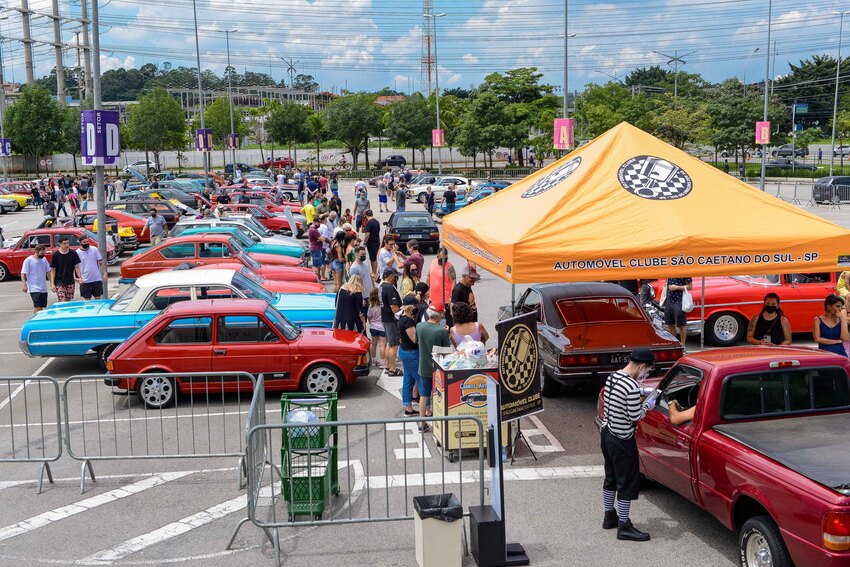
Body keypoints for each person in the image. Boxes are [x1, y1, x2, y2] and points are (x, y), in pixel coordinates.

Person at [599, 348, 657, 542]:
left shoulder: (613, 377)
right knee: (627, 482)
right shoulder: (631, 386)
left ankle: (609, 516)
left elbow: (622, 394)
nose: (646, 374)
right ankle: (624, 525)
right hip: (623, 439)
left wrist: (643, 391)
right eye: (647, 371)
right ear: (641, 366)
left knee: (611, 477)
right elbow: (636, 416)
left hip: (607, 434)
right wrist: (649, 404)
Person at [415, 305, 451, 433]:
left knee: (424, 395)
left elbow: (416, 341)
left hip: (423, 366)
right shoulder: (440, 331)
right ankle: (440, 423)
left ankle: (421, 422)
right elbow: (447, 350)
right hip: (438, 368)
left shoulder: (419, 326)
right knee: (439, 395)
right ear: (439, 316)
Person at [399, 295, 422, 418]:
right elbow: (414, 339)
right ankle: (427, 408)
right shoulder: (408, 321)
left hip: (404, 351)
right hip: (411, 353)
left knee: (408, 380)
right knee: (420, 379)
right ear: (410, 307)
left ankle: (408, 407)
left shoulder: (402, 318)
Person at [380, 267, 403, 377]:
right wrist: (400, 316)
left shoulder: (381, 287)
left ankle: (388, 366)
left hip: (385, 318)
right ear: (390, 276)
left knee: (389, 344)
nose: (396, 278)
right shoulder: (389, 288)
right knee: (394, 345)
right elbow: (393, 306)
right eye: (395, 276)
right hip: (391, 319)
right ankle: (392, 369)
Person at [447, 264, 479, 329]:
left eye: (475, 277)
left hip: (471, 323)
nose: (474, 280)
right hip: (465, 326)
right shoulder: (458, 290)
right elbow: (452, 309)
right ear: (464, 276)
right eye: (472, 278)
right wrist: (459, 326)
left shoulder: (468, 285)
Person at [49, 236, 81, 302]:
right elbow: (53, 269)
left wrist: (79, 277)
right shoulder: (56, 255)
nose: (66, 245)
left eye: (68, 243)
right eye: (64, 243)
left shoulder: (73, 253)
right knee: (62, 300)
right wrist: (52, 283)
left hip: (70, 281)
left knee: (68, 301)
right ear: (60, 244)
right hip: (59, 281)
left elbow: (76, 266)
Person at [663, 277, 693, 347]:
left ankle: (683, 345)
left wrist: (676, 287)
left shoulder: (684, 271)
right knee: (670, 324)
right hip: (669, 300)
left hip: (680, 300)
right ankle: (673, 344)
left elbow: (690, 287)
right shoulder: (670, 270)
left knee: (681, 325)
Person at [21, 244, 51, 313]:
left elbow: (48, 271)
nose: (42, 255)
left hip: (43, 287)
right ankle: (35, 320)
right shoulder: (28, 260)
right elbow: (23, 273)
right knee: (37, 306)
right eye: (41, 253)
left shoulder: (44, 259)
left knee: (41, 307)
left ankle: (40, 319)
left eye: (44, 253)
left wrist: (52, 283)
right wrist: (24, 285)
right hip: (33, 288)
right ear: (36, 251)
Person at [426, 247, 455, 316]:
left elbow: (453, 281)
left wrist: (451, 297)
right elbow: (428, 276)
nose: (443, 261)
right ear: (437, 256)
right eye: (441, 259)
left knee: (445, 322)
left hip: (445, 301)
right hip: (432, 299)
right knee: (433, 320)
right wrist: (427, 290)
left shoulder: (449, 267)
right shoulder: (433, 262)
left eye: (445, 259)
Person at [368, 288, 386, 368]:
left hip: (373, 326)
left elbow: (369, 317)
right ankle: (382, 361)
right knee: (382, 344)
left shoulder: (371, 306)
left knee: (374, 344)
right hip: (382, 326)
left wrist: (371, 322)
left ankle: (374, 360)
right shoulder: (382, 305)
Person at [362, 210, 382, 274]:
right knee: (374, 257)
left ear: (366, 215)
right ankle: (375, 271)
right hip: (377, 241)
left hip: (371, 242)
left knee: (373, 259)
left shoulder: (368, 223)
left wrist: (364, 242)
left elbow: (367, 234)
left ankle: (374, 272)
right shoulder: (376, 222)